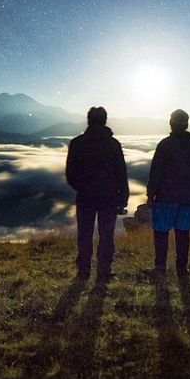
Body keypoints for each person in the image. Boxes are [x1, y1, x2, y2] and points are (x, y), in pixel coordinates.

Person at [65, 106, 128, 283]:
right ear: (105, 120)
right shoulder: (113, 144)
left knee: (84, 234)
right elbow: (121, 173)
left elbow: (70, 173)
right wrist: (122, 198)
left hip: (85, 197)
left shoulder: (77, 143)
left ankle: (83, 270)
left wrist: (81, 187)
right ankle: (104, 271)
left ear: (88, 120)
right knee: (106, 235)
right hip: (109, 197)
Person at [147, 109, 190, 277]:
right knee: (183, 233)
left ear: (171, 123)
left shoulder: (164, 145)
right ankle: (181, 268)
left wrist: (150, 194)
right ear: (187, 124)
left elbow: (156, 172)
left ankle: (160, 267)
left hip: (165, 197)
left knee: (161, 233)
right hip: (189, 197)